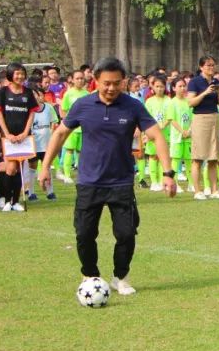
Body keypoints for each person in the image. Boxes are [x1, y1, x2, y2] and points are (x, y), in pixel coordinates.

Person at [40, 57, 176, 296]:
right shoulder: (83, 105)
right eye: (106, 83)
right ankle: (90, 275)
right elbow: (60, 134)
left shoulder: (133, 106)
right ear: (96, 80)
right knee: (84, 234)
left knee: (126, 234)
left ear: (123, 81)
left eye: (116, 83)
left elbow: (157, 136)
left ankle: (120, 277)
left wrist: (168, 173)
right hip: (89, 182)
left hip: (121, 182)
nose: (111, 88)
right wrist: (45, 167)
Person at [0, 62, 37, 212]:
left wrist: (25, 133)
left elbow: (31, 113)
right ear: (11, 75)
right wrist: (6, 134)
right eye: (17, 73)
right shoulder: (3, 92)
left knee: (19, 168)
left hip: (23, 137)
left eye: (22, 73)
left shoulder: (28, 92)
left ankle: (15, 201)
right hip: (8, 137)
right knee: (10, 168)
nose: (20, 76)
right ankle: (6, 200)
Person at [187, 55, 219, 200]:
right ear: (201, 67)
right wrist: (205, 92)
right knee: (198, 157)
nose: (211, 68)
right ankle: (198, 191)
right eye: (208, 65)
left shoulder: (216, 81)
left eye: (213, 65)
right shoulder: (195, 82)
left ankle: (214, 190)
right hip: (200, 119)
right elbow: (190, 103)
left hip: (214, 117)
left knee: (213, 157)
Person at [58, 71, 89, 184]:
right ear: (72, 80)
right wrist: (66, 123)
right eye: (77, 78)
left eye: (82, 78)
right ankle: (67, 175)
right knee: (69, 150)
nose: (80, 80)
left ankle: (81, 174)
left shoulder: (87, 94)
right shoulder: (68, 94)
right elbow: (63, 109)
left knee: (81, 152)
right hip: (72, 128)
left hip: (84, 127)